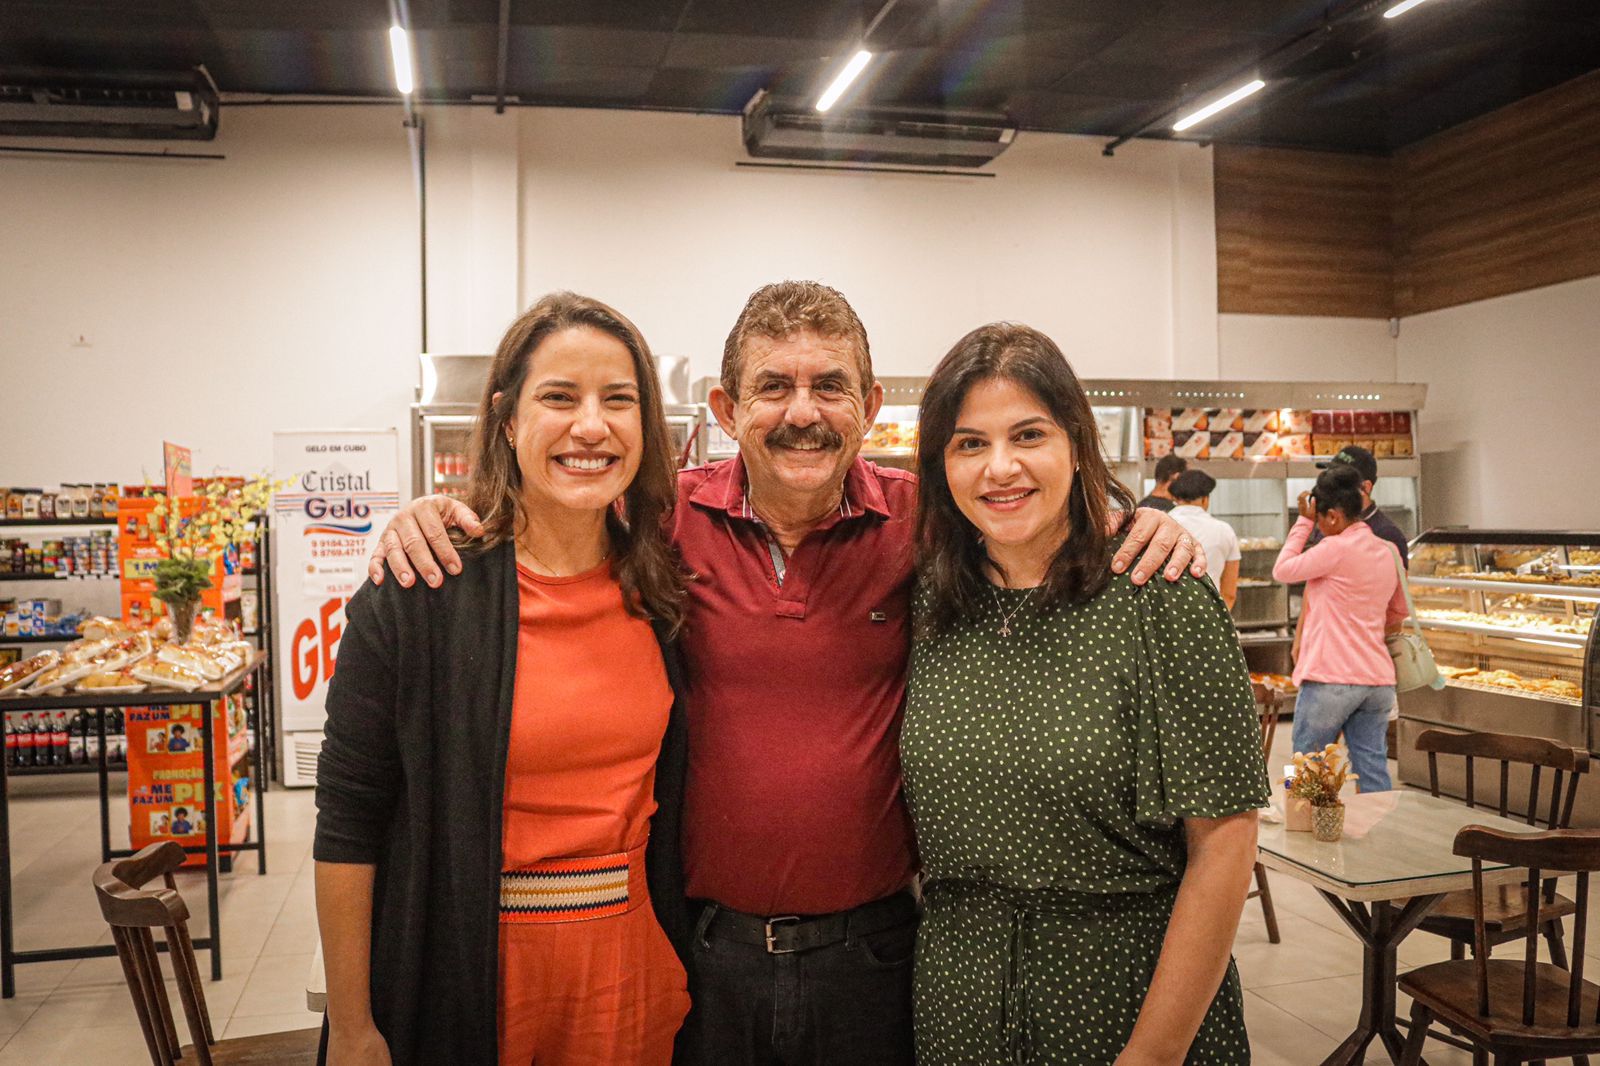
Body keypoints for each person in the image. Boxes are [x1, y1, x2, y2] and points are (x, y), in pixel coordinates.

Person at [367, 281, 1205, 1064]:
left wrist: (1142, 522)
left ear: (870, 408)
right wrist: (429, 516)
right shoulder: (654, 520)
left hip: (877, 957)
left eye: (830, 386)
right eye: (773, 387)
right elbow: (546, 512)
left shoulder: (927, 526)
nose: (802, 413)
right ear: (728, 410)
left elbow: (1033, 504)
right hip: (703, 953)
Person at [315, 292, 692, 1066]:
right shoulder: (419, 594)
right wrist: (353, 1028)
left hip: (629, 971)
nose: (591, 426)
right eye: (559, 397)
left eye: (618, 401)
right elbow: (348, 820)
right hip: (468, 971)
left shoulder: (666, 590)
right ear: (508, 420)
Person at [903, 323, 1268, 1065]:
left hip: (1123, 997)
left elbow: (1224, 846)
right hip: (957, 1001)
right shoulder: (931, 603)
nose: (1000, 467)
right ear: (941, 465)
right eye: (969, 443)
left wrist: (1151, 1057)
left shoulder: (1157, 592)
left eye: (1027, 435)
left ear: (1075, 440)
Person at [1273, 464, 1408, 792]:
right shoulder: (1388, 551)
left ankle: (1302, 830)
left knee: (1304, 763)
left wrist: (1303, 522)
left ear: (1332, 516)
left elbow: (1283, 569)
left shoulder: (1333, 548)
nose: (1318, 524)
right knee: (1372, 764)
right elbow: (1398, 612)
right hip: (1377, 680)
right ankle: (1378, 834)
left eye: (1319, 519)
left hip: (1329, 679)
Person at [1309, 445, 1409, 566]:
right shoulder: (1328, 521)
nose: (1331, 486)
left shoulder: (1387, 534)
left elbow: (1395, 582)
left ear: (1366, 487)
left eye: (1341, 482)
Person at [1167, 469, 1241, 608]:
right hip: (1210, 611)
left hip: (1168, 613)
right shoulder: (1225, 531)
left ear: (1176, 498)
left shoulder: (1162, 525)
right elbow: (1229, 592)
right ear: (1205, 499)